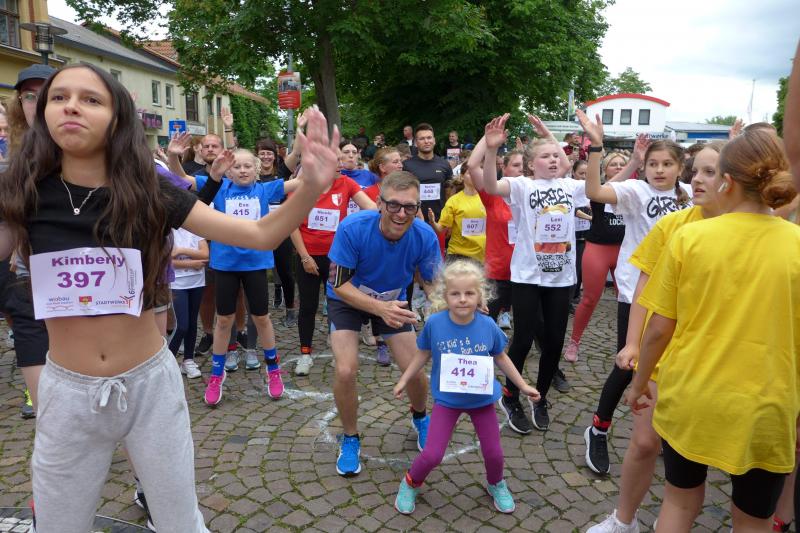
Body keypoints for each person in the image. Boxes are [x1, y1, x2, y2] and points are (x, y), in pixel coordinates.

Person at [0, 63, 342, 532]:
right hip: (67, 390)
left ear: (117, 118)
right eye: (59, 98)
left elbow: (260, 234)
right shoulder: (21, 190)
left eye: (91, 99)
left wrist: (311, 187)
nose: (72, 107)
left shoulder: (150, 187)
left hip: (149, 386)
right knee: (58, 524)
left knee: (180, 521)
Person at [624, 128, 799, 532]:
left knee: (679, 501)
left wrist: (639, 383)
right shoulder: (796, 243)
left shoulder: (690, 237)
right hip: (767, 404)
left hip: (692, 394)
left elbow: (659, 328)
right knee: (753, 520)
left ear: (727, 181)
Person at [587, 142, 724, 533]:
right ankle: (623, 519)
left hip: (714, 355)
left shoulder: (745, 229)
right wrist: (633, 344)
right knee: (646, 442)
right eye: (697, 170)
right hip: (664, 349)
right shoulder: (673, 225)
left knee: (705, 453)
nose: (699, 179)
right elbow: (645, 287)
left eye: (710, 172)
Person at [577, 108, 693, 476]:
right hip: (637, 292)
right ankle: (598, 429)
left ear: (680, 167)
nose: (659, 170)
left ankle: (663, 429)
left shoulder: (692, 196)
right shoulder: (634, 191)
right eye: (653, 164)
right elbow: (594, 191)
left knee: (671, 365)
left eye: (667, 164)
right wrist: (597, 147)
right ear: (643, 167)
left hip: (680, 295)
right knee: (629, 365)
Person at [392, 260, 540, 515]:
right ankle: (410, 482)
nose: (462, 299)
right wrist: (404, 379)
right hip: (447, 401)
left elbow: (501, 356)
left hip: (481, 401)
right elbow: (423, 353)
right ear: (445, 296)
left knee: (494, 453)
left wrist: (523, 385)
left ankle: (496, 483)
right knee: (432, 454)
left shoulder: (488, 325)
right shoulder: (435, 323)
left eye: (469, 293)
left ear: (480, 295)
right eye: (455, 293)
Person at [327, 170, 441, 476]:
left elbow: (432, 283)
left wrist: (455, 306)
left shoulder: (424, 236)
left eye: (410, 207)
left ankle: (420, 417)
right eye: (394, 205)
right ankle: (350, 437)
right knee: (345, 369)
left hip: (392, 300)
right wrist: (379, 308)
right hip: (348, 299)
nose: (401, 214)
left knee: (415, 369)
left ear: (418, 207)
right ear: (379, 203)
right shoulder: (352, 228)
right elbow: (339, 284)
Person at [472, 113, 581, 434]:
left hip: (561, 277)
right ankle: (511, 395)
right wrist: (492, 148)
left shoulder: (570, 186)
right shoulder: (522, 186)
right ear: (531, 164)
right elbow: (490, 184)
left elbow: (590, 178)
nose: (553, 160)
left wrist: (548, 136)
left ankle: (540, 396)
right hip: (527, 276)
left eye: (555, 156)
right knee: (522, 338)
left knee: (554, 342)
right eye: (545, 156)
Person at [186, 148, 308, 405]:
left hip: (255, 263)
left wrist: (307, 155)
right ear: (229, 171)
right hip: (226, 264)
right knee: (224, 320)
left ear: (257, 169)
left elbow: (301, 182)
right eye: (237, 167)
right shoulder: (220, 187)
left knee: (261, 318)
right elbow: (181, 179)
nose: (242, 170)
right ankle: (217, 374)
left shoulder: (265, 189)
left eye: (247, 166)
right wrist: (175, 157)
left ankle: (273, 369)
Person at [0, 63, 56, 420]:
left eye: (48, 93)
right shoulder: (16, 164)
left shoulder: (98, 154)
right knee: (51, 419)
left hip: (87, 289)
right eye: (29, 96)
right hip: (31, 286)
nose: (38, 102)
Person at [290, 165, 377, 377]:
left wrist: (354, 229)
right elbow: (292, 224)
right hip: (308, 257)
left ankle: (341, 354)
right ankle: (305, 353)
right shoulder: (303, 185)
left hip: (338, 257)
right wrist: (304, 256)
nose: (339, 164)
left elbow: (372, 209)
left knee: (340, 305)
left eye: (339, 159)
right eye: (333, 160)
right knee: (308, 306)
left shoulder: (346, 183)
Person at [255, 138, 297, 328]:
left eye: (269, 153)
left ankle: (290, 310)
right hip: (258, 230)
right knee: (257, 272)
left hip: (280, 230)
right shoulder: (252, 177)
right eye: (262, 153)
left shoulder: (280, 174)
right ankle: (259, 311)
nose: (265, 156)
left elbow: (295, 156)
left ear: (274, 156)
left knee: (285, 270)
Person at [427, 160, 486, 262]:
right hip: (458, 255)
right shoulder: (453, 201)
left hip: (482, 255)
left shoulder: (487, 199)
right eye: (470, 173)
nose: (474, 176)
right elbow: (440, 229)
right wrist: (432, 222)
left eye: (477, 173)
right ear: (462, 176)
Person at [169, 228, 208, 379]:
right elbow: (167, 261)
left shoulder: (195, 229)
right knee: (182, 325)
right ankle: (167, 362)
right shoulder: (167, 232)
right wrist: (192, 263)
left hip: (197, 282)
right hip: (177, 284)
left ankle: (188, 360)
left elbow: (205, 255)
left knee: (192, 323)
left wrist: (181, 251)